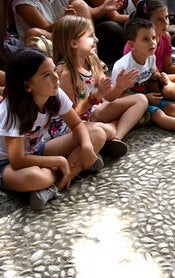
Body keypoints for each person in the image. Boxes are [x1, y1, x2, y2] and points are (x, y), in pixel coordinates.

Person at [0, 48, 106, 209]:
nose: (56, 78)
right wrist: (59, 161)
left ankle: (53, 187)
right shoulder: (11, 110)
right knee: (33, 177)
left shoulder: (54, 93)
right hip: (8, 164)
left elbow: (77, 124)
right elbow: (17, 160)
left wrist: (85, 146)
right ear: (28, 85)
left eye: (54, 71)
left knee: (97, 134)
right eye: (46, 75)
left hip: (39, 150)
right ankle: (72, 169)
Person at [52, 14, 147, 158]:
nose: (96, 40)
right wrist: (97, 95)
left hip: (94, 111)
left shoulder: (91, 59)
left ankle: (116, 139)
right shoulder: (64, 73)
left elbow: (109, 96)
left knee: (141, 99)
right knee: (103, 130)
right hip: (72, 123)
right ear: (74, 43)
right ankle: (109, 133)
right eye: (90, 36)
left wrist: (119, 87)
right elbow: (72, 113)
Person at [112, 18, 175, 138]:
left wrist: (159, 76)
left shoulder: (150, 57)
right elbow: (117, 97)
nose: (152, 43)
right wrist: (146, 98)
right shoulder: (123, 68)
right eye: (145, 39)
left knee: (172, 108)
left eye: (153, 38)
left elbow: (152, 73)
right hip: (135, 105)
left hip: (150, 96)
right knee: (159, 115)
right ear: (132, 45)